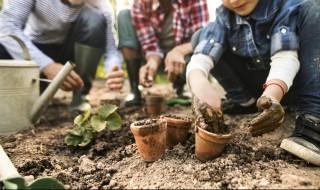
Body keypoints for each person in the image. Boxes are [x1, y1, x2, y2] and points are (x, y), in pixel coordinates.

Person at [187, 0, 320, 165]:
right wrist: (200, 83)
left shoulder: (283, 7)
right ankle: (246, 102)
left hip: (290, 85)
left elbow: (285, 58)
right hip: (258, 91)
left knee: (314, 8)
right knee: (200, 37)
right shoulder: (224, 17)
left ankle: (312, 121)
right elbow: (201, 59)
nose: (234, 1)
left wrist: (272, 94)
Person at [0, 0, 124, 112]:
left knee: (95, 19)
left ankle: (80, 96)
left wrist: (114, 69)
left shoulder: (101, 5)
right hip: (35, 51)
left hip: (69, 53)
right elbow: (7, 27)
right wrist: (46, 66)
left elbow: (111, 50)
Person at [117, 0, 209, 107]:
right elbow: (150, 45)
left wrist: (178, 51)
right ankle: (134, 89)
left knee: (202, 53)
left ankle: (179, 86)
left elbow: (203, 38)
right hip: (154, 58)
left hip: (183, 58)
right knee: (124, 15)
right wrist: (152, 62)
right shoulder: (141, 3)